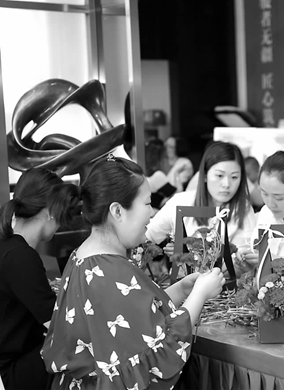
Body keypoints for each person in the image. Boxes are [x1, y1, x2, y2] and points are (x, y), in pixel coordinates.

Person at [41, 155, 225, 389]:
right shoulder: (109, 270)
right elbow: (159, 352)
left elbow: (134, 315)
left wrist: (181, 290)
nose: (151, 213)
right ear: (117, 211)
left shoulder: (86, 256)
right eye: (147, 204)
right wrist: (199, 295)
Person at [0, 169, 79, 390]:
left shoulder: (10, 247)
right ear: (52, 211)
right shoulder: (21, 257)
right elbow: (59, 325)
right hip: (11, 371)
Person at [146, 141, 256, 268]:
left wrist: (190, 255)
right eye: (219, 175)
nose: (226, 184)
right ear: (204, 175)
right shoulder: (180, 202)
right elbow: (147, 237)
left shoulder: (244, 209)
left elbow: (242, 264)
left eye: (234, 177)